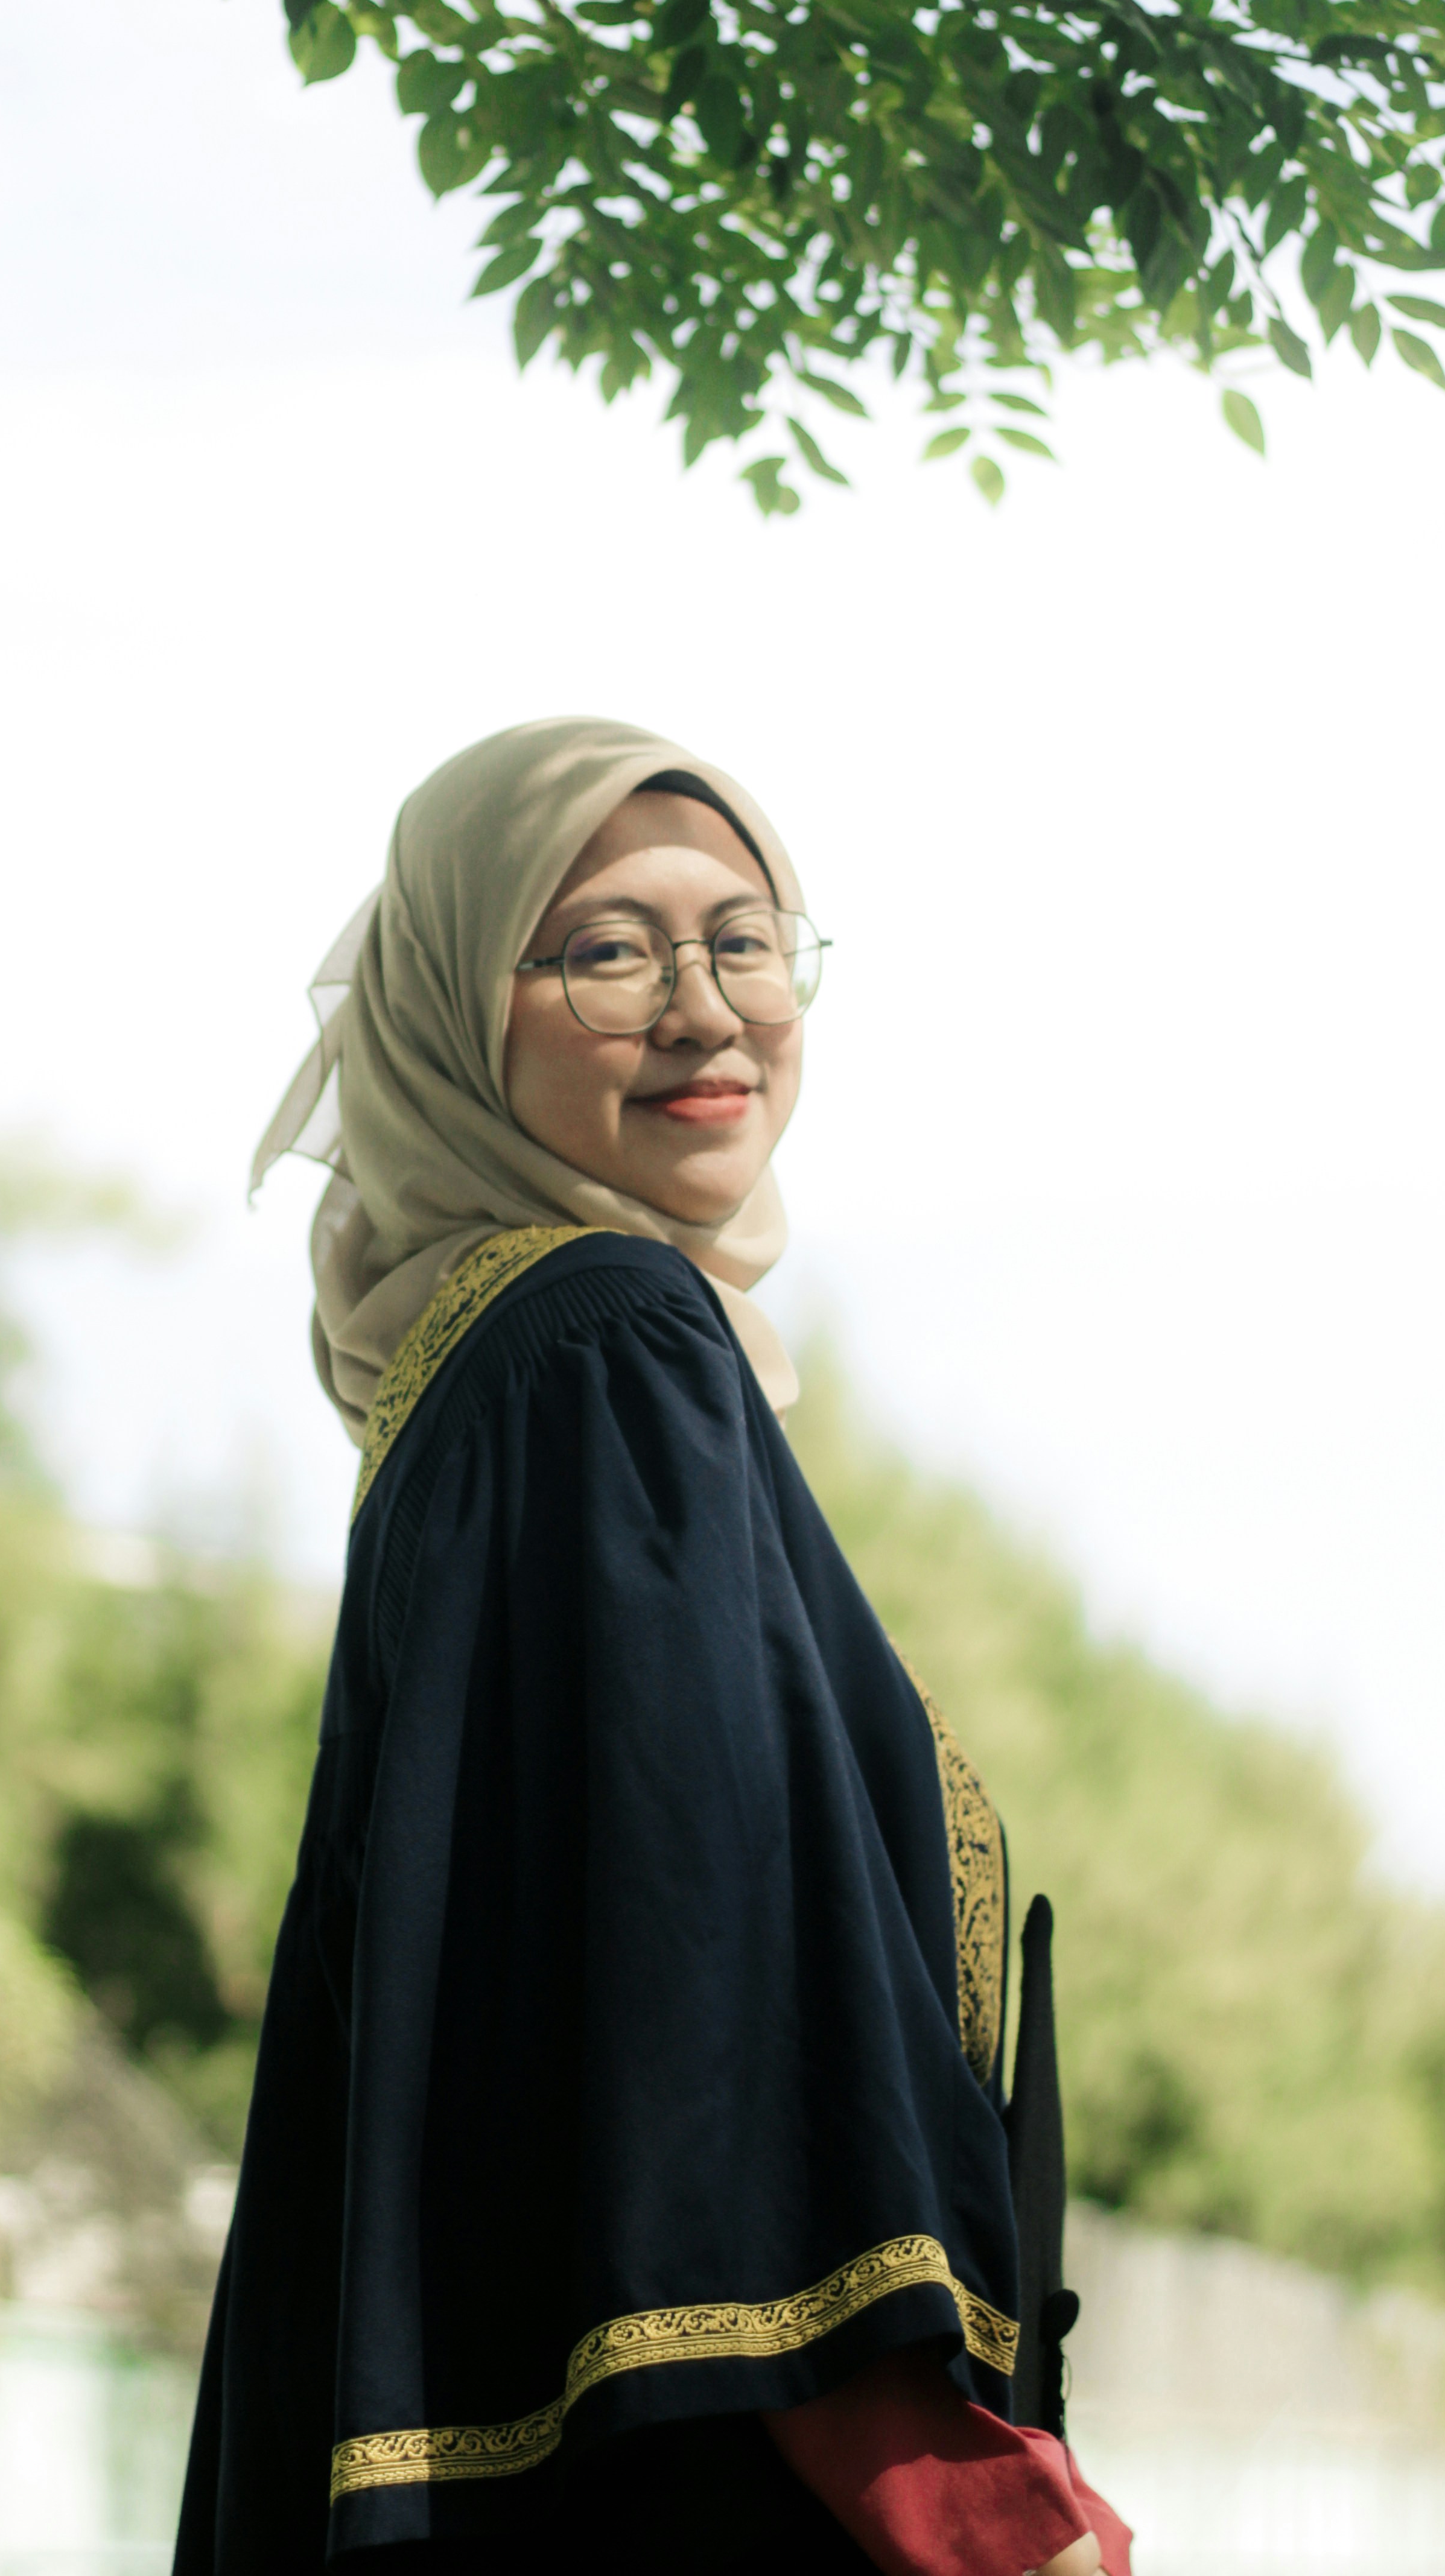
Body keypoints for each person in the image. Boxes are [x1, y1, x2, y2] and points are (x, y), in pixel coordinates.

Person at [174, 717, 1133, 2576]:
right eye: (609, 951)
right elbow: (695, 1977)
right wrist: (954, 2496)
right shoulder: (601, 1342)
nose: (706, 1012)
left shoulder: (490, 1375)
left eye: (746, 941)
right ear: (458, 1014)